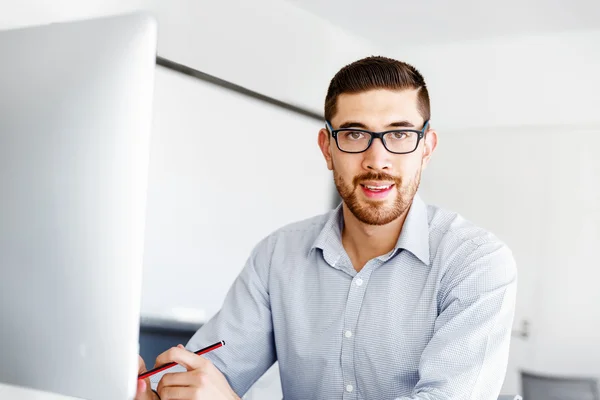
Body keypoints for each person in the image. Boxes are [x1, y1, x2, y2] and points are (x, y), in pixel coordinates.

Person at [136, 56, 517, 400]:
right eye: (354, 134)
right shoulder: (277, 256)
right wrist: (152, 394)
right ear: (327, 148)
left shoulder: (476, 263)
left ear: (427, 148)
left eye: (400, 134)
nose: (376, 160)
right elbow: (211, 373)